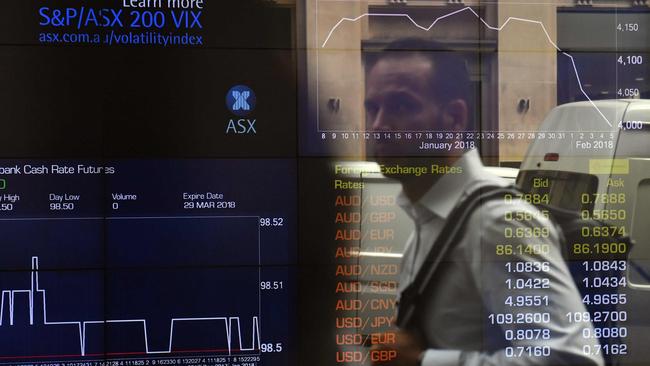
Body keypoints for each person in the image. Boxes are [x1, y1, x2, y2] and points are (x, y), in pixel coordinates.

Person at [364, 38, 603, 366]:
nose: (378, 126)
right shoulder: (431, 220)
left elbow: (573, 360)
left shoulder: (497, 222)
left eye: (401, 107)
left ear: (454, 118)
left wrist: (423, 362)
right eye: (372, 108)